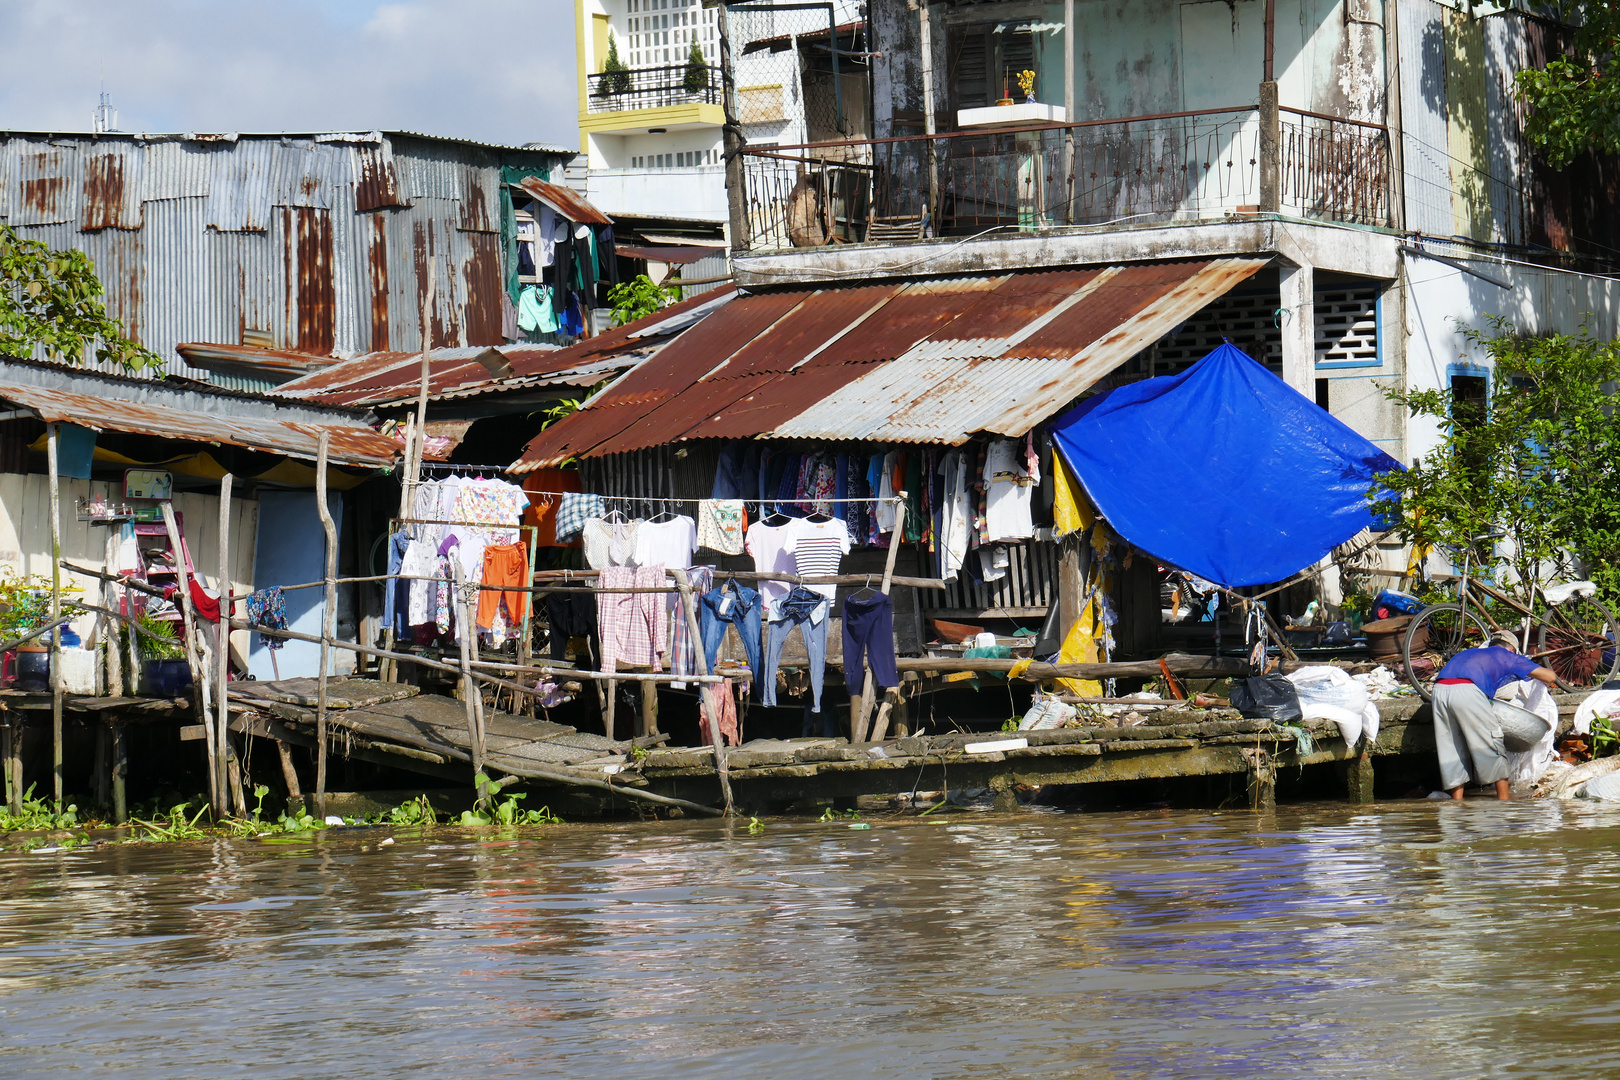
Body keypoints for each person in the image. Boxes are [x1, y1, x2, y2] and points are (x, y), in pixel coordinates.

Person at [1431, 632, 1557, 801]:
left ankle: (1457, 804)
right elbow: (1550, 676)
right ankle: (1503, 802)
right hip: (1467, 690)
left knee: (1452, 747)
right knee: (1492, 743)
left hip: (1439, 690)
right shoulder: (1507, 656)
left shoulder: (1469, 652)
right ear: (1512, 649)